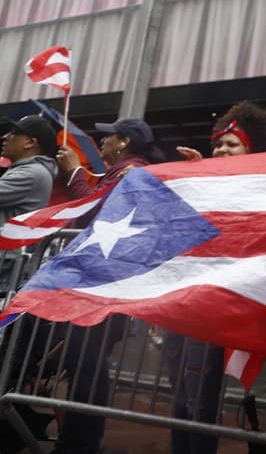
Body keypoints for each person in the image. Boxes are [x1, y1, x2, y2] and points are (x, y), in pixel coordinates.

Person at [168, 101, 266, 454]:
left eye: (232, 144)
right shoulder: (204, 180)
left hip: (215, 307)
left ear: (251, 150)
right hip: (180, 302)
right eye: (218, 144)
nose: (221, 150)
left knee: (200, 397)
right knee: (180, 395)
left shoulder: (263, 187)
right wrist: (191, 176)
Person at [49, 116, 159, 454]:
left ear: (124, 142)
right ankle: (78, 437)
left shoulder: (132, 172)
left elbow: (98, 214)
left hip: (103, 282)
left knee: (89, 365)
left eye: (110, 137)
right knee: (84, 363)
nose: (104, 143)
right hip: (98, 281)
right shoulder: (123, 172)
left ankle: (82, 441)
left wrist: (73, 172)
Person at [0, 115, 59, 226]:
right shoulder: (29, 169)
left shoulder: (32, 173)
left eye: (14, 133)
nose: (5, 137)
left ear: (30, 143)